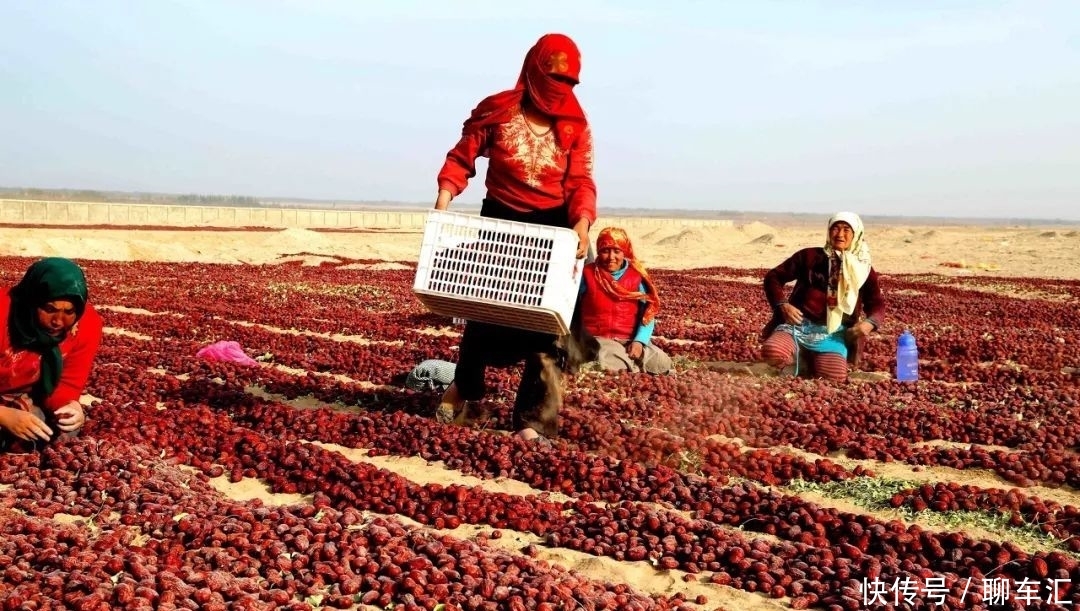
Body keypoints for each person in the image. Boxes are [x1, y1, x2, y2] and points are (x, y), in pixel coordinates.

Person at [433, 33, 597, 444]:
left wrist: (581, 223)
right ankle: (466, 388)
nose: (562, 88)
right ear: (534, 69)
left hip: (554, 226)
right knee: (484, 311)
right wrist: (444, 198)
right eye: (554, 77)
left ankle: (532, 420)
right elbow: (462, 157)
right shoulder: (500, 112)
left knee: (548, 325)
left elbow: (580, 180)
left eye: (571, 81)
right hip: (501, 220)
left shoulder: (575, 125)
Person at [760, 212, 884, 382]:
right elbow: (773, 277)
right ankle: (798, 355)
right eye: (835, 228)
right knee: (773, 352)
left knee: (834, 376)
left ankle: (808, 360)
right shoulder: (809, 256)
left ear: (856, 234)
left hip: (833, 333)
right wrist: (782, 305)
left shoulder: (864, 270)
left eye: (846, 230)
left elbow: (876, 304)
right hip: (798, 327)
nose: (840, 234)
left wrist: (869, 323)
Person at [0, 257, 103, 452]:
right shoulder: (3, 312)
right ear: (32, 301)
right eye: (49, 309)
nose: (58, 321)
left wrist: (71, 407)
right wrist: (4, 415)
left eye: (69, 312)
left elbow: (66, 384)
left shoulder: (86, 325)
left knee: (61, 430)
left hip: (19, 393)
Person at [579, 227, 672, 374]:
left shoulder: (636, 277)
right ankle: (629, 366)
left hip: (629, 338)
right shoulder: (588, 274)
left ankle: (631, 364)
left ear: (624, 252)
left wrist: (639, 341)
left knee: (661, 362)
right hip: (599, 338)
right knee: (610, 360)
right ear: (598, 251)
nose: (611, 257)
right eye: (605, 251)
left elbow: (648, 314)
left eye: (617, 251)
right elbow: (571, 307)